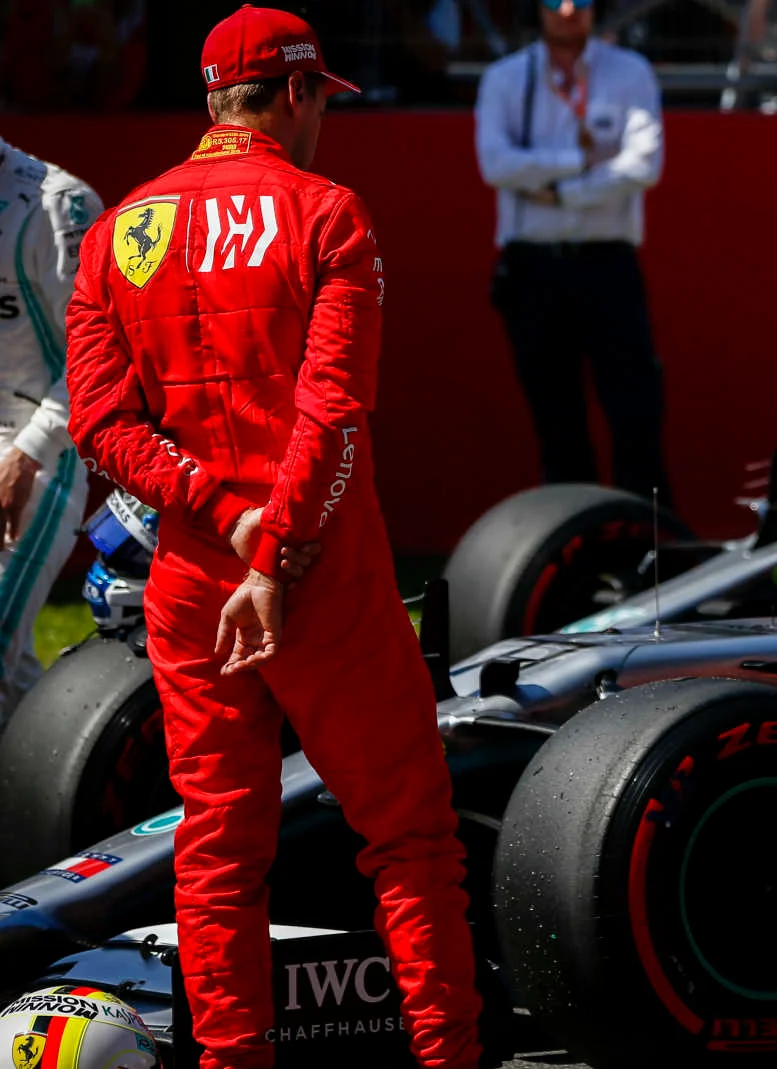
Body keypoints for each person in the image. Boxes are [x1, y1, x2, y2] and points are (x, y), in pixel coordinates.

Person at [63, 6, 483, 1069]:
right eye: (320, 100)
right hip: (321, 569)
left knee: (217, 849)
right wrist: (280, 549)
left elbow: (101, 427)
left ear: (213, 101)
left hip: (193, 577)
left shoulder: (120, 232)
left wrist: (220, 515)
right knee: (409, 837)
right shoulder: (327, 212)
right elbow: (333, 413)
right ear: (294, 94)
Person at [476, 0, 673, 506]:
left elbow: (643, 166)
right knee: (557, 421)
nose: (568, 9)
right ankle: (574, 548)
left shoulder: (630, 72)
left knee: (636, 413)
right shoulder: (506, 77)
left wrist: (561, 191)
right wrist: (580, 161)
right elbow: (496, 165)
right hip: (532, 268)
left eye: (582, 0)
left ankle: (648, 546)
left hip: (607, 263)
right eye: (555, 0)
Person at [0, 134, 100, 726]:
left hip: (39, 449)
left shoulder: (60, 205)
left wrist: (27, 452)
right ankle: (48, 790)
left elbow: (97, 353)